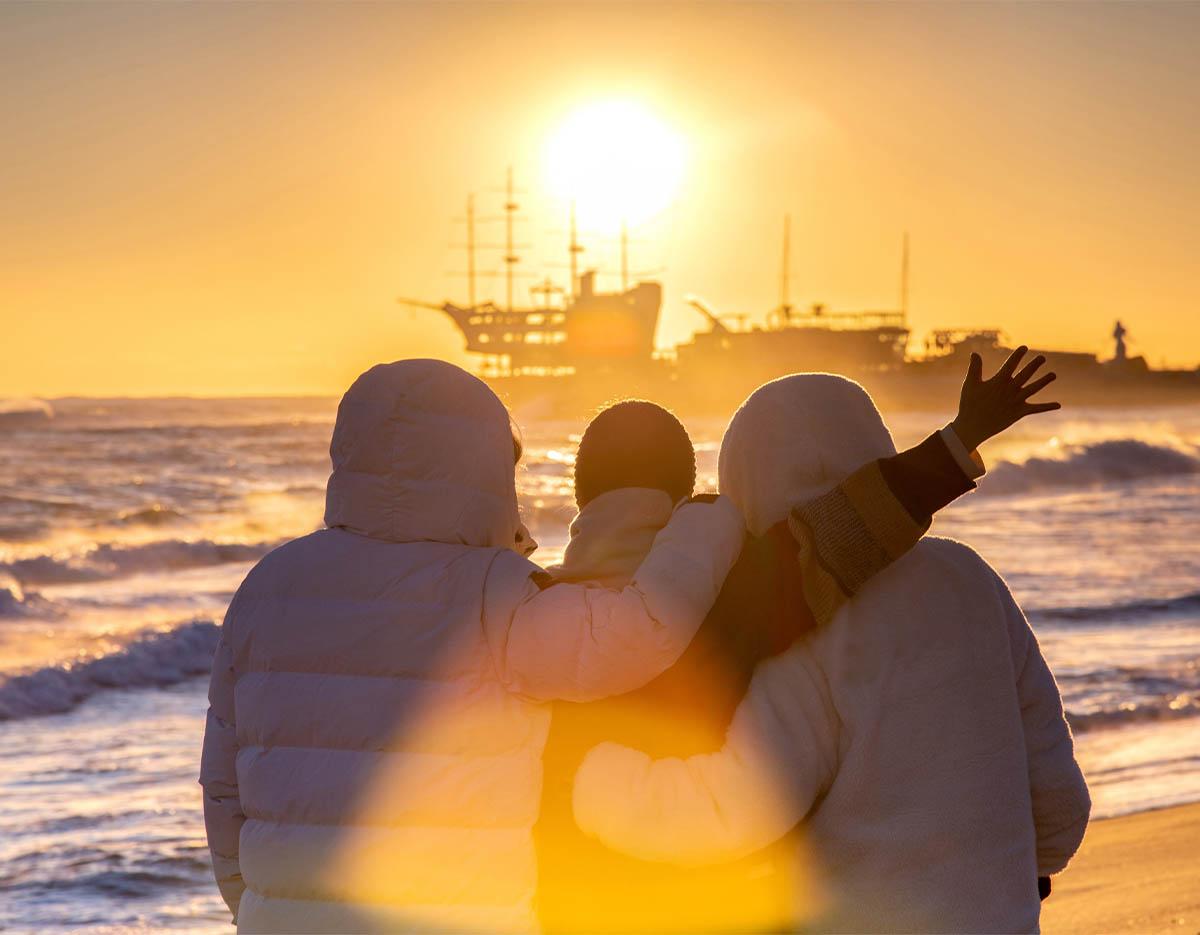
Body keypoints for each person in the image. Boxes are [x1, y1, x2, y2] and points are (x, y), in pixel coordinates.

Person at [199, 360, 748, 933]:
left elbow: (223, 786)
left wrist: (257, 905)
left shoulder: (267, 586)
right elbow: (636, 635)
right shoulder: (492, 592)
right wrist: (703, 525)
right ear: (483, 470)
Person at [536, 350, 1063, 932]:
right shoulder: (966, 582)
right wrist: (1030, 870)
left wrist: (587, 778)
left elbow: (733, 806)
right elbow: (1056, 788)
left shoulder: (514, 608)